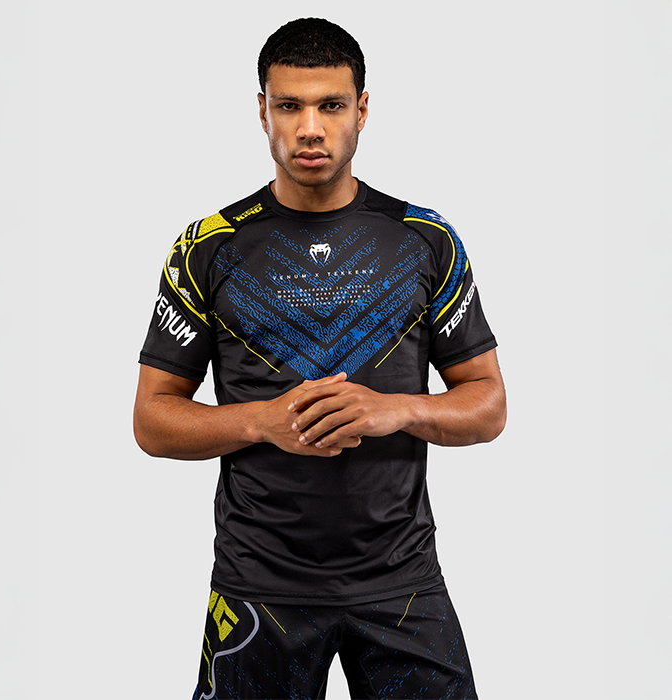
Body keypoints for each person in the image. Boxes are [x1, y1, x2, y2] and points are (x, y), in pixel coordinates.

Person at [134, 17, 506, 700]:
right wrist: (260, 422)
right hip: (258, 588)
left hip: (402, 583)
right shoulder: (206, 247)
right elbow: (153, 421)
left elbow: (488, 405)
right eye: (289, 106)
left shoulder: (426, 240)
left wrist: (396, 410)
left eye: (331, 105)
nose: (310, 129)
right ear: (262, 111)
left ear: (362, 110)